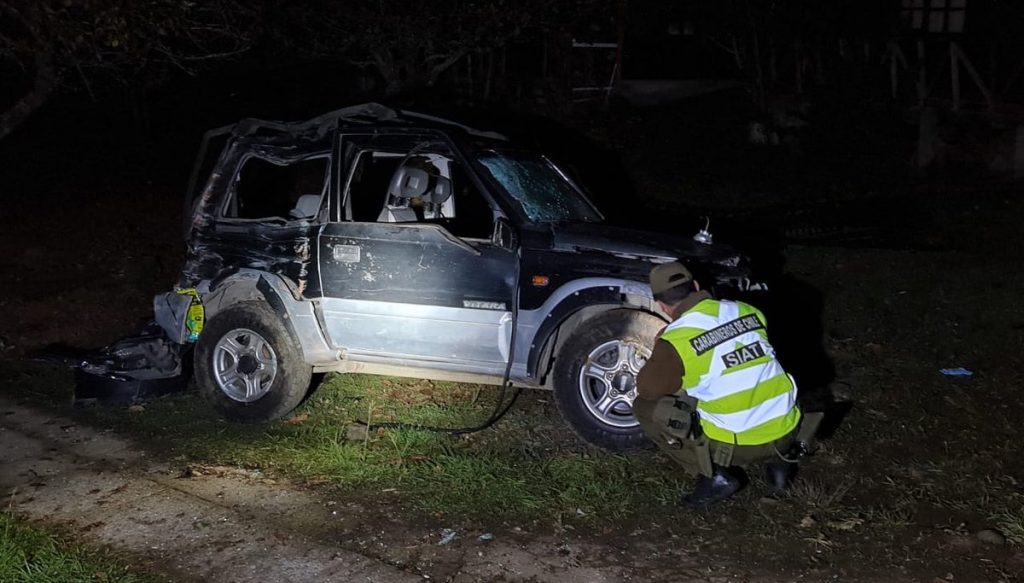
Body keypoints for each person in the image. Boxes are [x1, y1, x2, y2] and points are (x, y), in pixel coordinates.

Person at [634, 261, 807, 509]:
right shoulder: (747, 310)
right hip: (788, 427)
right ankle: (781, 463)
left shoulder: (676, 339)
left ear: (661, 305)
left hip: (739, 445)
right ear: (695, 286)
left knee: (645, 407)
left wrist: (661, 347)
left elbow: (648, 389)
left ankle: (713, 476)